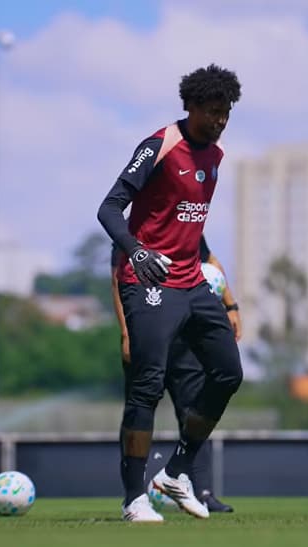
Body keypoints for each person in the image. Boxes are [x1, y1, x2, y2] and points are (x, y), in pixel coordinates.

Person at [97, 64, 243, 522]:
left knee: (228, 372)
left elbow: (185, 222)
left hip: (193, 283)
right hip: (149, 281)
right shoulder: (161, 145)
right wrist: (136, 252)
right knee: (146, 388)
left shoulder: (215, 156)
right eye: (214, 111)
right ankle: (133, 499)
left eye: (227, 113)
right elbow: (109, 208)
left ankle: (176, 472)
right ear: (193, 106)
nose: (220, 120)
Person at [110, 235, 239, 513]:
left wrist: (230, 304)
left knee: (193, 409)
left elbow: (212, 261)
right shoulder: (132, 230)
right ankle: (134, 495)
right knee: (141, 403)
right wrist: (125, 332)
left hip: (185, 341)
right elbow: (117, 278)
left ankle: (201, 490)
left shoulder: (186, 222)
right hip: (148, 331)